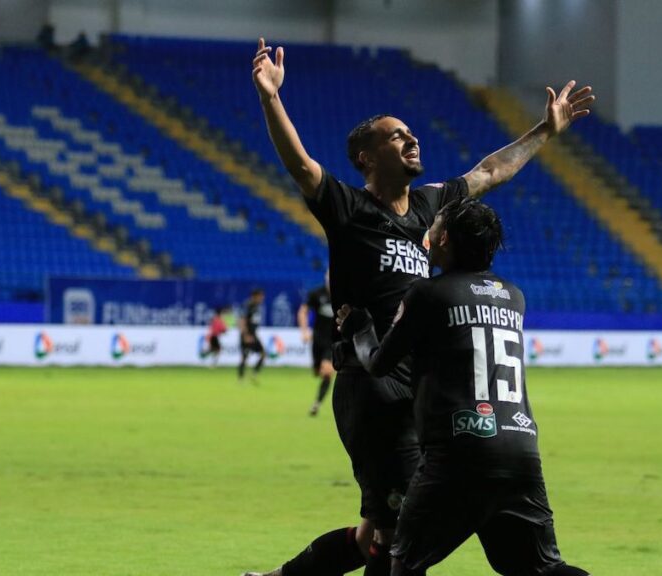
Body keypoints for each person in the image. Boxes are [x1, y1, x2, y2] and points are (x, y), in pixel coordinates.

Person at [248, 37, 593, 576]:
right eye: (396, 135)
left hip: (420, 390)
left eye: (410, 132)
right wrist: (271, 98)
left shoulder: (432, 205)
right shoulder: (348, 207)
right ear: (367, 156)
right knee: (398, 527)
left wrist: (545, 130)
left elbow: (490, 171)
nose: (411, 139)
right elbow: (300, 165)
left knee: (379, 532)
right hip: (370, 382)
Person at [337, 198, 588, 576]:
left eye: (435, 227)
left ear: (446, 240)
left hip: (457, 452)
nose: (429, 233)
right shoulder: (514, 296)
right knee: (543, 568)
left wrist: (360, 328)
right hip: (520, 448)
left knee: (402, 564)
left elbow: (379, 363)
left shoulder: (428, 293)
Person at [298, 272, 335, 416]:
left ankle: (316, 404)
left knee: (327, 372)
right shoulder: (316, 294)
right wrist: (304, 330)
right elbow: (303, 311)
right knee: (316, 372)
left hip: (333, 341)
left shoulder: (344, 294)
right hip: (317, 339)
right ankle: (317, 368)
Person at [239, 289, 266, 383]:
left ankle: (254, 374)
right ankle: (241, 378)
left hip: (254, 335)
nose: (262, 298)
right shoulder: (248, 305)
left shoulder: (257, 307)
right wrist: (246, 335)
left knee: (263, 353)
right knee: (245, 356)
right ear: (255, 296)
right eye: (261, 296)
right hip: (246, 334)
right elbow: (242, 320)